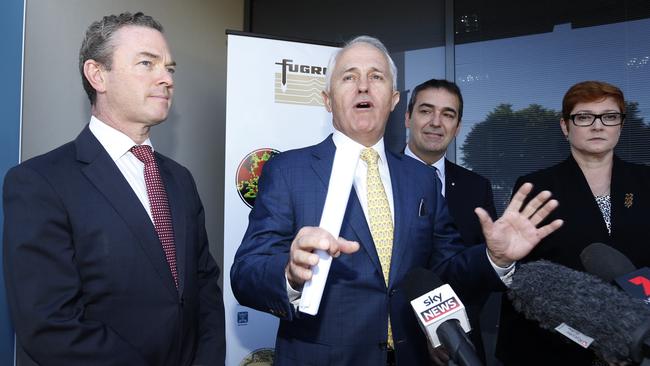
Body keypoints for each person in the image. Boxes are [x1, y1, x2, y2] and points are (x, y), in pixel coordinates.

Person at [231, 35, 562, 366]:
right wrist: (289, 273)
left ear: (392, 100)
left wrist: (495, 258)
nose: (363, 86)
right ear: (328, 99)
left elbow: (445, 270)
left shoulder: (421, 180)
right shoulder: (289, 171)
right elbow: (245, 273)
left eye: (376, 76)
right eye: (349, 76)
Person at [2, 12, 225, 366]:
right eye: (147, 64)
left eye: (170, 68)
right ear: (97, 75)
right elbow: (49, 325)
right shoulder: (40, 182)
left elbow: (204, 290)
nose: (166, 78)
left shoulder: (180, 179)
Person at [496, 80, 650, 366]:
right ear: (565, 127)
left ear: (620, 125)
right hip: (560, 349)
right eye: (584, 117)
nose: (598, 125)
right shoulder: (536, 186)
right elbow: (525, 281)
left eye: (609, 116)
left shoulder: (645, 181)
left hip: (640, 346)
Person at [404, 78, 498, 364]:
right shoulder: (375, 180)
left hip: (461, 346)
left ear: (457, 128)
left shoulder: (477, 187)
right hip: (396, 344)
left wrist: (451, 329)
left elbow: (478, 272)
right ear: (407, 118)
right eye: (426, 111)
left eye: (448, 114)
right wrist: (423, 329)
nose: (436, 122)